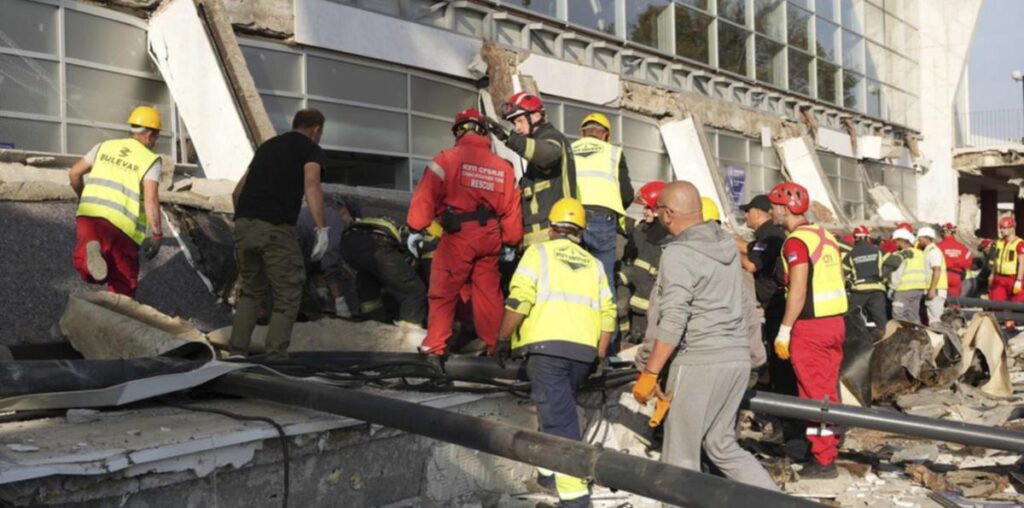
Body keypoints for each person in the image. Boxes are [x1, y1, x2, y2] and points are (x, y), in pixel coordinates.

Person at [633, 181, 777, 490]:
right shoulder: (726, 246)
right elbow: (746, 307)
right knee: (721, 446)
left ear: (668, 214)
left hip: (699, 362)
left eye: (658, 211)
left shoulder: (678, 254)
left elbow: (671, 321)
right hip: (735, 360)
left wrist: (650, 371)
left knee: (679, 457)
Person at [494, 198, 615, 507]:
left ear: (550, 228)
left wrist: (503, 338)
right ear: (581, 232)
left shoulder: (538, 253)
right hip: (583, 355)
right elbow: (608, 312)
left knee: (560, 424)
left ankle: (575, 500)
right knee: (556, 413)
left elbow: (520, 298)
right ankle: (548, 476)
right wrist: (600, 355)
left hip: (547, 352)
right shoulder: (595, 264)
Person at [407, 108, 522, 356]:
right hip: (491, 237)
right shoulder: (504, 166)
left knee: (443, 291)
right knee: (489, 295)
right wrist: (511, 243)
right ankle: (495, 349)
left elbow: (426, 195)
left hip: (459, 235)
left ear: (459, 130)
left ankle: (434, 347)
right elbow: (512, 209)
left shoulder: (447, 158)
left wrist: (416, 227)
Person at [229, 108, 329, 359]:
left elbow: (237, 191)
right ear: (316, 130)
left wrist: (245, 220)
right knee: (288, 294)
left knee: (251, 291)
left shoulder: (267, 147)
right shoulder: (309, 149)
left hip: (243, 224)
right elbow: (312, 184)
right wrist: (321, 227)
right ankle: (276, 358)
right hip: (275, 229)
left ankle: (237, 353)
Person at [768, 182, 847, 479]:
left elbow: (798, 289)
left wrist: (784, 330)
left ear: (784, 208)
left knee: (814, 394)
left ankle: (824, 460)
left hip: (810, 327)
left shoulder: (795, 242)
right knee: (827, 389)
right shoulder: (825, 236)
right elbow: (839, 277)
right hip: (835, 323)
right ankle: (829, 445)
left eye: (774, 205)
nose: (772, 211)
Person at [69, 105, 166, 298]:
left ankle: (91, 256)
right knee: (123, 283)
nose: (155, 142)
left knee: (88, 268)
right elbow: (151, 199)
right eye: (156, 137)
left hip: (88, 216)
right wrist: (157, 234)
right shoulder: (150, 159)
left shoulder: (104, 146)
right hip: (121, 226)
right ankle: (118, 319)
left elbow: (74, 173)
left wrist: (83, 198)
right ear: (149, 133)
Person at [487, 92, 576, 247]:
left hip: (552, 238)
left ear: (535, 116)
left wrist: (509, 138)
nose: (517, 128)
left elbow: (548, 154)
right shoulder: (538, 142)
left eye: (520, 121)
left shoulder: (552, 137)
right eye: (514, 124)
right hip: (543, 239)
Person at [735, 194, 791, 394]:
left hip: (776, 304)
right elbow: (750, 249)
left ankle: (784, 405)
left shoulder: (771, 235)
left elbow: (751, 264)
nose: (745, 217)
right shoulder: (764, 236)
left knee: (779, 360)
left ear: (757, 212)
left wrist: (728, 248)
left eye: (747, 212)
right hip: (771, 304)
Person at [340, 215, 428, 339]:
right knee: (414, 291)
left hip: (349, 242)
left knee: (370, 281)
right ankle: (408, 338)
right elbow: (410, 262)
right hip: (378, 243)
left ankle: (373, 330)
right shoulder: (418, 236)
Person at [570, 112, 633, 286]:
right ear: (605, 134)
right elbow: (626, 194)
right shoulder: (613, 152)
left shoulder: (569, 149)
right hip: (603, 220)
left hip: (573, 219)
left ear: (583, 133)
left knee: (575, 277)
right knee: (603, 280)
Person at [617, 181, 668, 343]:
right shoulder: (642, 230)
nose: (644, 212)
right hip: (636, 304)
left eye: (648, 208)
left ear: (658, 209)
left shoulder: (666, 238)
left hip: (652, 311)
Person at [297, 197, 354, 317]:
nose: (349, 228)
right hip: (295, 242)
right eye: (351, 222)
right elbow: (330, 259)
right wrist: (340, 302)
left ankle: (321, 302)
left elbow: (317, 259)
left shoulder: (323, 214)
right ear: (345, 212)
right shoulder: (337, 221)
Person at [844, 225, 888, 328]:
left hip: (859, 291)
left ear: (855, 238)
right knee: (881, 321)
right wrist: (882, 276)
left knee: (850, 318)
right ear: (868, 237)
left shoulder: (851, 253)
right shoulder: (878, 250)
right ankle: (884, 340)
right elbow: (894, 262)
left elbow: (843, 273)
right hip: (877, 290)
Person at [886, 228, 927, 324]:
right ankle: (918, 335)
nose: (895, 244)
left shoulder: (900, 255)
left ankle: (904, 336)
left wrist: (892, 287)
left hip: (903, 289)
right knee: (913, 316)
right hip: (919, 290)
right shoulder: (921, 254)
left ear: (900, 240)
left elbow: (897, 273)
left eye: (896, 242)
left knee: (898, 315)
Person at [989, 216, 1024, 302]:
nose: (1001, 230)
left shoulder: (1019, 243)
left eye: (1004, 228)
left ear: (1012, 228)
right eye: (1000, 227)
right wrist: (992, 274)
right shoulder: (999, 243)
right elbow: (996, 260)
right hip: (1000, 278)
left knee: (1017, 305)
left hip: (1013, 278)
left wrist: (1019, 280)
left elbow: (1022, 263)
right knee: (996, 302)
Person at [917, 227, 947, 325]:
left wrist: (932, 289)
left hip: (936, 290)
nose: (919, 241)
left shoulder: (933, 252)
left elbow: (937, 270)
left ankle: (940, 339)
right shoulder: (928, 251)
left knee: (935, 320)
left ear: (926, 238)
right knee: (933, 319)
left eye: (920, 238)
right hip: (933, 289)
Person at [939, 222, 972, 298]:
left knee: (940, 301)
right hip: (956, 277)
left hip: (942, 276)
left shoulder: (938, 246)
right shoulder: (962, 247)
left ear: (942, 233)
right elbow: (969, 262)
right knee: (954, 302)